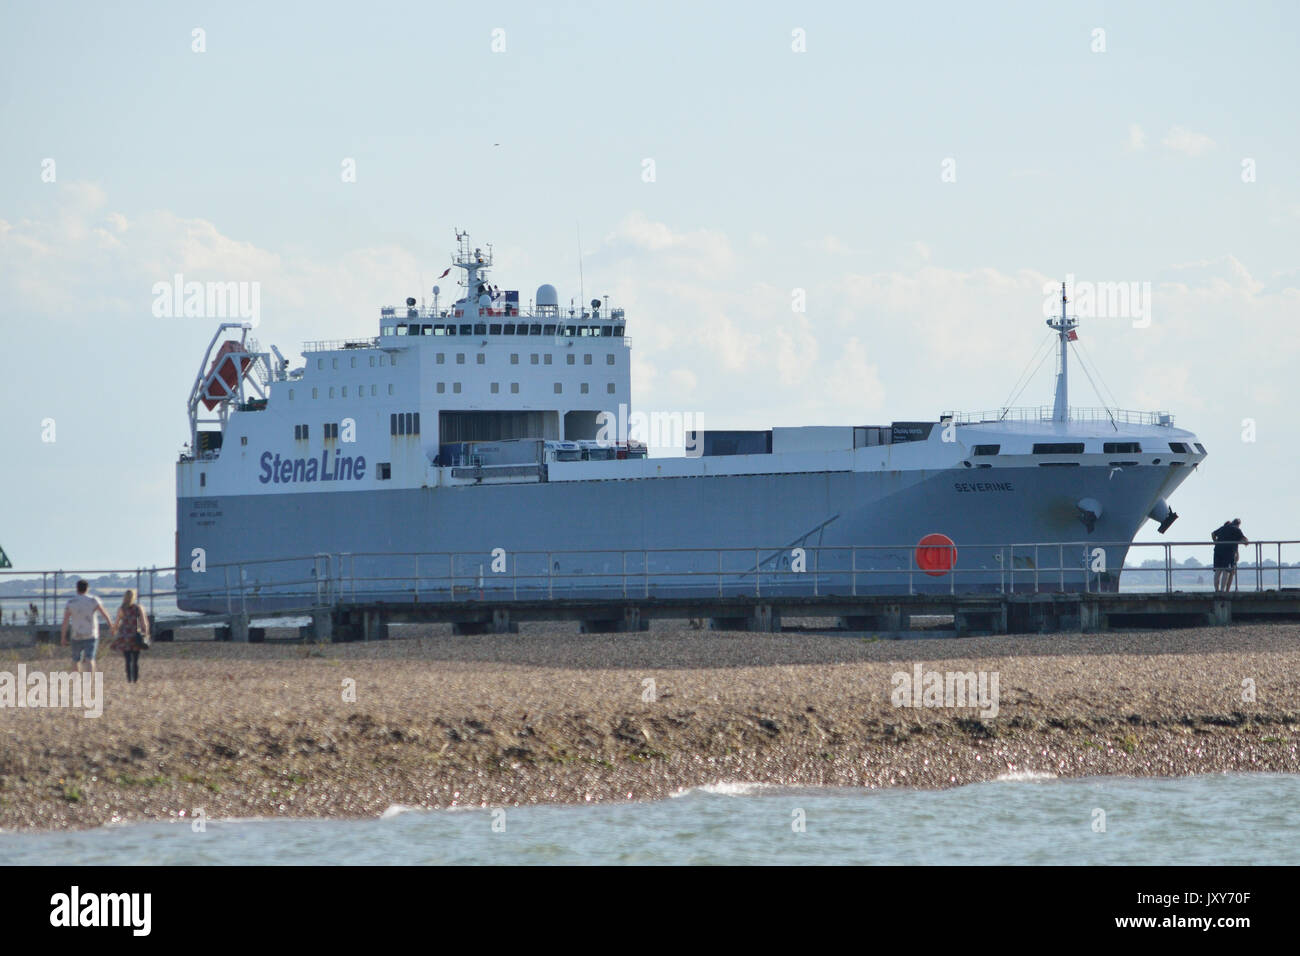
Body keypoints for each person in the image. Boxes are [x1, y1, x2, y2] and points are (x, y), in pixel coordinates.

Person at [61, 580, 114, 673]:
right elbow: (104, 613)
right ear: (87, 588)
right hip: (91, 634)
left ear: (77, 588)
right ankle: (89, 682)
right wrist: (111, 625)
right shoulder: (93, 600)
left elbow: (65, 621)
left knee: (75, 659)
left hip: (76, 634)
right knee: (90, 658)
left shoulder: (71, 602)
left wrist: (63, 637)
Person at [111, 589, 150, 683]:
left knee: (127, 659)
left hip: (124, 635)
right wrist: (146, 633)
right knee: (135, 660)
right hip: (135, 635)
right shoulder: (138, 608)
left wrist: (114, 630)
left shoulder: (122, 608)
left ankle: (129, 679)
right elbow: (143, 622)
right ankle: (135, 679)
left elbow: (117, 621)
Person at [1212, 519, 1248, 593]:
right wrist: (1245, 542)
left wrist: (1215, 542)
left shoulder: (1223, 528)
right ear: (1238, 524)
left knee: (1217, 571)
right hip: (1228, 553)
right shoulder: (1237, 530)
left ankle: (1216, 590)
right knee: (1226, 571)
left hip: (1218, 551)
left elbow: (1213, 534)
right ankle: (1222, 590)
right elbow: (1245, 541)